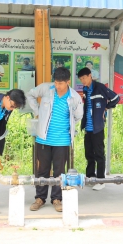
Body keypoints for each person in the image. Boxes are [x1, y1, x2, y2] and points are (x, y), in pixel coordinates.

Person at [26, 67, 83, 212]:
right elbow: (30, 94)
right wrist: (37, 111)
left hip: (62, 141)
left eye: (61, 83)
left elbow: (78, 115)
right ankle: (40, 198)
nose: (58, 86)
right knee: (42, 170)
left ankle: (57, 199)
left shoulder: (74, 97)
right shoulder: (46, 89)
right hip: (43, 139)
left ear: (68, 82)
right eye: (56, 83)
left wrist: (68, 126)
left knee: (59, 171)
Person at [77, 67, 120, 190]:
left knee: (99, 154)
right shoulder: (85, 90)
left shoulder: (100, 87)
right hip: (88, 128)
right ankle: (91, 176)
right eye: (81, 79)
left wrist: (105, 108)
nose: (83, 81)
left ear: (90, 76)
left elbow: (116, 98)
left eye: (84, 78)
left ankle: (101, 180)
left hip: (98, 128)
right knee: (89, 154)